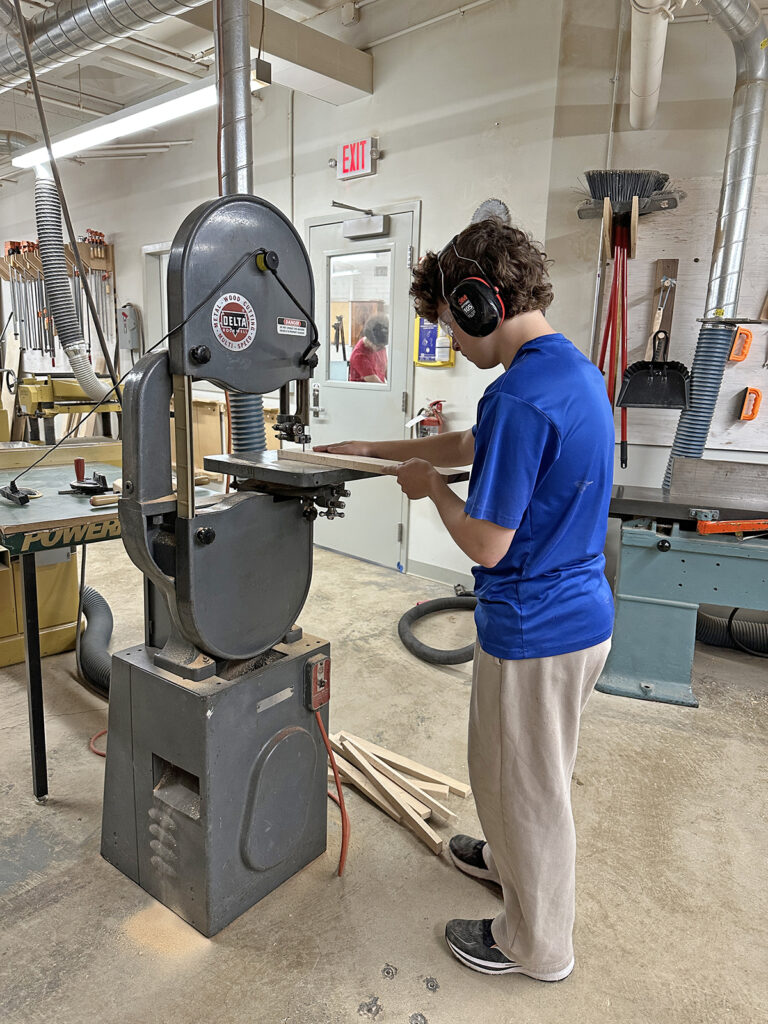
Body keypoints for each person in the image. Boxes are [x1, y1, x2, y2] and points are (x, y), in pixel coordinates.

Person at [314, 217, 615, 983]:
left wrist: (429, 492)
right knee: (511, 772)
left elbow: (486, 544)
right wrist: (378, 451)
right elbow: (473, 444)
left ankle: (536, 946)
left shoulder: (519, 394)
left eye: (451, 322)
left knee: (528, 789)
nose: (451, 339)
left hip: (536, 625)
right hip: (574, 614)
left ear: (481, 304)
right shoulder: (567, 371)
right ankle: (509, 867)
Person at [348, 313, 389, 383]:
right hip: (367, 389)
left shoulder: (380, 343)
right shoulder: (359, 356)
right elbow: (377, 384)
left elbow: (386, 369)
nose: (382, 348)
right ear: (370, 340)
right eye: (379, 346)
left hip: (380, 387)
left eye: (383, 346)